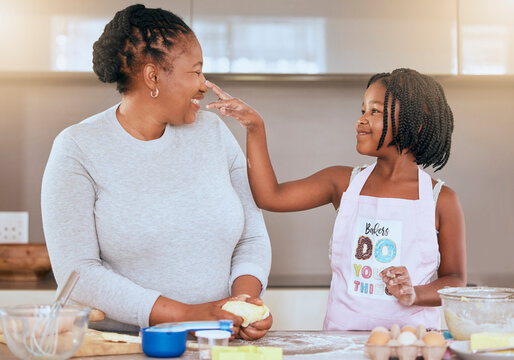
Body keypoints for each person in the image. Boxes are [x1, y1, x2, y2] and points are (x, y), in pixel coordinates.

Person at [41, 4, 272, 340]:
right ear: (153, 76)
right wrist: (188, 315)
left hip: (214, 342)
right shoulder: (77, 148)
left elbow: (252, 237)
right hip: (121, 346)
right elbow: (79, 274)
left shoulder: (214, 133)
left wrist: (244, 303)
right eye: (195, 72)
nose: (203, 85)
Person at [205, 68, 466, 330]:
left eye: (374, 111)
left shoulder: (441, 199)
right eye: (362, 110)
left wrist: (415, 293)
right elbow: (269, 196)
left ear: (415, 123)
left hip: (413, 342)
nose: (361, 120)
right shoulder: (342, 182)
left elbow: (455, 278)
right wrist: (255, 127)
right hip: (340, 343)